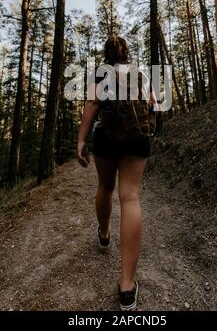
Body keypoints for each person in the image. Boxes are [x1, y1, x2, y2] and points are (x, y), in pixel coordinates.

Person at [77, 36, 156, 311]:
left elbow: (91, 106)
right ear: (127, 53)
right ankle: (126, 287)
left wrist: (81, 141)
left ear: (106, 54)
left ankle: (103, 233)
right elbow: (153, 104)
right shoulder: (141, 73)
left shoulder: (101, 73)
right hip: (138, 138)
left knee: (105, 187)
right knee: (130, 198)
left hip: (107, 137)